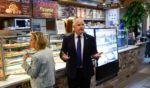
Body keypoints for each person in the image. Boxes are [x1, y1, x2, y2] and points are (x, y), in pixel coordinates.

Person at [59, 18, 102, 88]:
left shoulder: (91, 38)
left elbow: (94, 52)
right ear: (74, 27)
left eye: (83, 24)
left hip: (86, 72)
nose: (81, 26)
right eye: (79, 25)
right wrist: (63, 57)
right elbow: (62, 53)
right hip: (72, 72)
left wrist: (96, 56)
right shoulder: (67, 39)